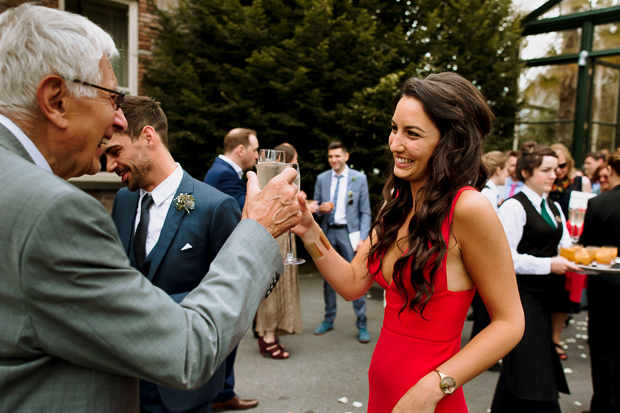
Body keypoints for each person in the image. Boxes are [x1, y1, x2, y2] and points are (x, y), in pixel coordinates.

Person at [0, 5, 301, 411]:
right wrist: (260, 230)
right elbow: (184, 346)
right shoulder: (57, 212)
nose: (118, 119)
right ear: (55, 100)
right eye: (112, 97)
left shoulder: (210, 204)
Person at [294, 72, 524, 412]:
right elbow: (352, 284)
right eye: (394, 128)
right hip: (384, 386)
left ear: (450, 142)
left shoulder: (469, 207)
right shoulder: (395, 204)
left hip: (429, 397)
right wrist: (308, 230)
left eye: (412, 134)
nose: (395, 144)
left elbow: (510, 322)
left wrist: (436, 385)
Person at [103, 96, 239, 413]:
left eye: (115, 152)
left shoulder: (215, 206)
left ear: (148, 137)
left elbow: (236, 294)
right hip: (125, 380)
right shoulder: (123, 201)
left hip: (183, 386)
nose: (109, 166)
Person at [490, 143, 581, 413]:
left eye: (556, 170)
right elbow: (506, 259)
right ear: (527, 172)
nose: (554, 175)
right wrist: (549, 264)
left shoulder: (553, 207)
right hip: (521, 299)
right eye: (546, 170)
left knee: (522, 371)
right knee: (533, 368)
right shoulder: (513, 207)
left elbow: (564, 246)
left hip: (545, 299)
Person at [203, 128, 260, 410]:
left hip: (222, 258)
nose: (258, 155)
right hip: (225, 261)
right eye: (255, 150)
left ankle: (224, 393)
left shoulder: (221, 172)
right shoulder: (225, 175)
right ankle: (219, 395)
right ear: (240, 150)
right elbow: (247, 212)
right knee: (229, 331)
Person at [312, 141, 372, 343]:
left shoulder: (359, 178)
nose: (333, 160)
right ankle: (328, 319)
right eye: (330, 156)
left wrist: (363, 238)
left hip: (350, 234)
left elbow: (365, 212)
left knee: (357, 278)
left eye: (337, 156)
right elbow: (315, 205)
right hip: (328, 233)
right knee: (329, 280)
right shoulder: (322, 178)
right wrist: (320, 208)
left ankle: (361, 323)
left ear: (346, 156)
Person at [254, 143, 305, 359]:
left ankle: (268, 332)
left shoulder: (272, 180)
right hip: (278, 234)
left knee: (274, 283)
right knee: (274, 284)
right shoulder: (277, 180)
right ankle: (268, 338)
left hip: (281, 232)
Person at [579, 151, 620, 413]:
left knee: (604, 351)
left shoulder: (600, 204)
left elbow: (587, 250)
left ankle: (604, 406)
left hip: (608, 288)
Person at [548, 143, 592, 360]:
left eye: (562, 165)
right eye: (554, 166)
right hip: (547, 240)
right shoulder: (546, 181)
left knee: (564, 295)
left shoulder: (579, 181)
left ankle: (555, 338)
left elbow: (587, 208)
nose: (558, 171)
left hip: (571, 239)